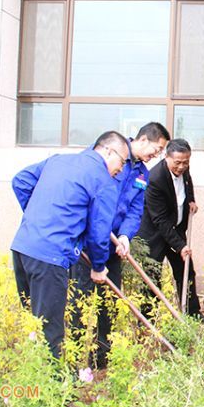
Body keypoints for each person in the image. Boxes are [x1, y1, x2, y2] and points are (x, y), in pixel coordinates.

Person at [11, 131, 129, 359]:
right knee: (50, 329)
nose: (121, 170)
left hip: (23, 247)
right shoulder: (103, 181)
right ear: (107, 151)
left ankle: (33, 372)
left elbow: (21, 181)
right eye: (122, 162)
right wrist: (98, 266)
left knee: (33, 321)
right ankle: (56, 389)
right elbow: (99, 232)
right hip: (50, 258)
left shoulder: (58, 160)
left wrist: (41, 217)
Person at [69, 122, 170, 370]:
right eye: (157, 149)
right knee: (79, 303)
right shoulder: (110, 155)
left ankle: (101, 361)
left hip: (113, 247)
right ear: (144, 140)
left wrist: (125, 236)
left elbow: (135, 210)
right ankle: (71, 361)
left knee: (110, 304)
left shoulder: (142, 174)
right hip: (87, 245)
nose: (156, 155)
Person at [135, 138, 204, 319]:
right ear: (166, 158)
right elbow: (159, 220)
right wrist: (180, 245)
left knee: (186, 270)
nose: (182, 167)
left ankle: (192, 314)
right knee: (152, 276)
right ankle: (149, 321)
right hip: (154, 234)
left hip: (175, 228)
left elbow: (187, 183)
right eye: (178, 163)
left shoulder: (184, 169)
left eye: (186, 162)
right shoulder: (154, 178)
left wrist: (191, 200)